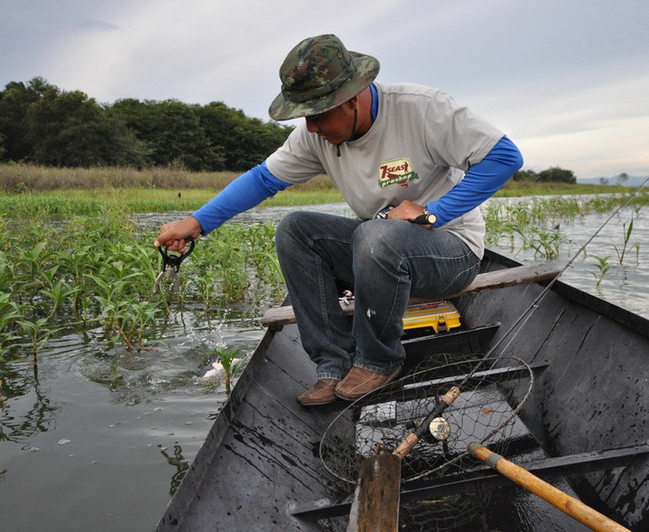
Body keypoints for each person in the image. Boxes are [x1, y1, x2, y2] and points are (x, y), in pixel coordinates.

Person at [154, 34, 523, 406]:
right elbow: (263, 178)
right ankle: (332, 365)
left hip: (449, 254)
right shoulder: (316, 137)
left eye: (319, 114)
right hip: (378, 255)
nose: (312, 127)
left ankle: (378, 360)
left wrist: (433, 212)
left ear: (353, 98)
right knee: (296, 230)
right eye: (306, 116)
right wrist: (197, 222)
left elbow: (503, 157)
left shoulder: (422, 109)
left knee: (376, 236)